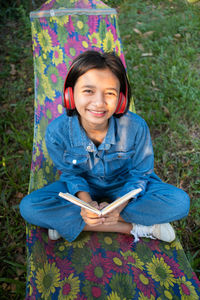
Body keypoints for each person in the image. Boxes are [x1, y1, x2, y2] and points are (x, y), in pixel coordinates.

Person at [20, 50, 190, 243]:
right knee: (30, 207)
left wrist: (118, 207)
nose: (99, 103)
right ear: (70, 94)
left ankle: (67, 222)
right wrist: (85, 204)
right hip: (85, 189)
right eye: (88, 91)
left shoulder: (136, 127)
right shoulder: (56, 132)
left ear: (121, 100)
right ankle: (136, 228)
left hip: (125, 189)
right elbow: (71, 174)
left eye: (110, 93)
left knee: (180, 203)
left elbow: (140, 175)